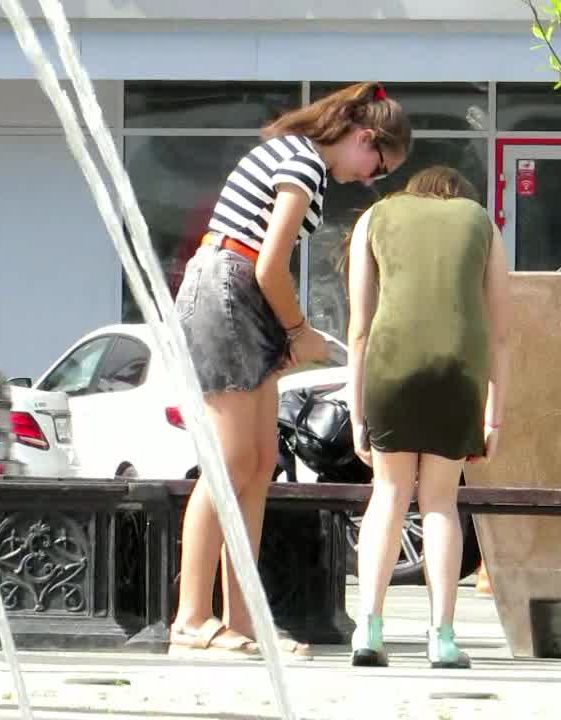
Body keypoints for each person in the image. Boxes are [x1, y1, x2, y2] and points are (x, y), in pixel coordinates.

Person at [169, 82, 411, 657]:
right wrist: (300, 332)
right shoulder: (303, 162)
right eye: (379, 165)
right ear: (365, 137)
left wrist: (290, 329)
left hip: (235, 290)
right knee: (232, 463)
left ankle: (243, 619)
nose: (371, 178)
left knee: (257, 464)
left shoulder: (298, 157)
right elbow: (271, 265)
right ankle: (192, 617)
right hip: (229, 286)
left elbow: (265, 267)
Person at [345, 166, 511, 669]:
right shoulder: (481, 222)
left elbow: (359, 329)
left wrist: (357, 414)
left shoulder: (375, 217)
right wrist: (495, 417)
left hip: (390, 370)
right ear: (459, 196)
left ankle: (369, 630)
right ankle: (442, 638)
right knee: (440, 501)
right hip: (457, 375)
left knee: (388, 494)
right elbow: (500, 333)